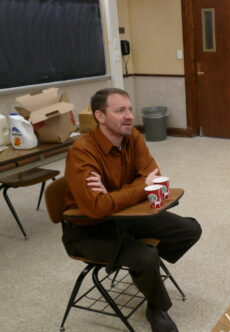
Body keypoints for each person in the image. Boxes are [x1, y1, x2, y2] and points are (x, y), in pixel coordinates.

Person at [63, 88, 202, 332]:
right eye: (119, 110)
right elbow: (97, 208)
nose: (129, 116)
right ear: (100, 116)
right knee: (144, 256)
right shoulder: (82, 152)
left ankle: (145, 268)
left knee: (190, 229)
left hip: (126, 216)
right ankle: (156, 306)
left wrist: (114, 194)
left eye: (129, 109)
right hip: (88, 231)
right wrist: (139, 187)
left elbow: (153, 177)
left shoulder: (132, 136)